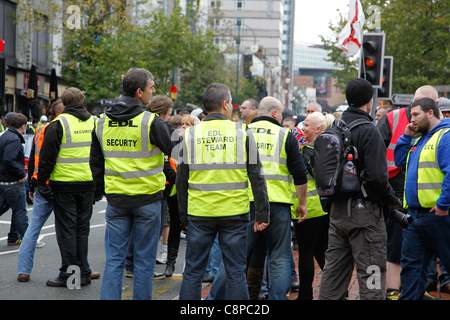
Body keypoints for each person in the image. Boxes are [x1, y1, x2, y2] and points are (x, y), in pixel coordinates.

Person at [206, 96, 308, 300]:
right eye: (280, 113)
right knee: (279, 258)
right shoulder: (285, 135)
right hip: (278, 204)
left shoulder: (240, 132)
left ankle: (213, 300)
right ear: (274, 113)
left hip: (246, 203)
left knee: (234, 258)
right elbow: (300, 174)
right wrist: (302, 204)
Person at [177, 83, 270, 300]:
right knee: (236, 272)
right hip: (234, 213)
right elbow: (257, 177)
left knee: (192, 272)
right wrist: (262, 214)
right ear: (225, 104)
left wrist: (184, 217)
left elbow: (181, 181)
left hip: (200, 212)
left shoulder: (189, 136)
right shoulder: (243, 134)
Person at [91, 68, 177, 300]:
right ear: (139, 92)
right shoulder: (151, 122)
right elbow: (180, 151)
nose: (154, 91)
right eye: (151, 87)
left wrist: (103, 191)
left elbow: (96, 164)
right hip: (148, 200)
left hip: (117, 201)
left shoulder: (101, 122)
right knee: (144, 262)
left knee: (115, 261)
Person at [318, 78, 398, 300]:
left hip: (337, 214)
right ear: (369, 102)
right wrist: (393, 202)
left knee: (332, 276)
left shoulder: (334, 127)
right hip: (365, 216)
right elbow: (378, 179)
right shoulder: (368, 130)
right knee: (371, 277)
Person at [377, 85, 439, 300]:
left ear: (432, 108)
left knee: (422, 251)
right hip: (400, 194)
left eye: (420, 107)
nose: (413, 111)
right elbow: (391, 157)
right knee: (398, 246)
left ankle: (415, 290)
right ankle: (395, 291)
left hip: (429, 203)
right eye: (413, 105)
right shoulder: (397, 120)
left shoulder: (439, 132)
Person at [37, 87, 96, 287]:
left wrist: (40, 182)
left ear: (65, 101)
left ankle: (70, 276)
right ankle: (84, 273)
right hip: (88, 185)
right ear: (82, 100)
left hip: (64, 186)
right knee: (82, 230)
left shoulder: (58, 124)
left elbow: (46, 158)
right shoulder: (95, 122)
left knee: (67, 231)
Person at [394, 97, 450, 300]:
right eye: (410, 116)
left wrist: (443, 204)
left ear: (430, 113)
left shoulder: (445, 135)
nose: (412, 120)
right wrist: (406, 135)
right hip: (415, 216)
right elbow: (399, 161)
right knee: (411, 269)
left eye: (416, 114)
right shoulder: (418, 138)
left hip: (438, 215)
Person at [17, 100, 65, 282]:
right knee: (69, 230)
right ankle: (78, 269)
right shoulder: (64, 129)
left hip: (41, 184)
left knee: (33, 228)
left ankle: (23, 270)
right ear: (61, 112)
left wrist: (32, 184)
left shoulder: (39, 131)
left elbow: (33, 159)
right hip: (60, 184)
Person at [294, 111, 333, 300]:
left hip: (308, 208)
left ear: (318, 129)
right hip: (325, 207)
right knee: (322, 249)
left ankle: (305, 296)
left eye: (307, 125)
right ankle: (336, 287)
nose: (303, 128)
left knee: (306, 252)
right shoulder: (329, 148)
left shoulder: (306, 150)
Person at [0, 113, 29, 246]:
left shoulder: (5, 136)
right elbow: (9, 159)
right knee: (20, 212)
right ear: (23, 126)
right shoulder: (14, 139)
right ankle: (28, 241)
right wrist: (21, 174)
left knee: (8, 208)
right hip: (12, 182)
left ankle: (13, 236)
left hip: (4, 180)